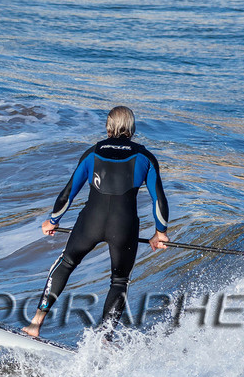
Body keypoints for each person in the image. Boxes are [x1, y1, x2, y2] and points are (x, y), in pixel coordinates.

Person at [24, 106, 169, 338]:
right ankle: (104, 339)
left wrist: (53, 220)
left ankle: (35, 323)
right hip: (124, 227)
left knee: (66, 263)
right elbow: (159, 200)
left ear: (108, 127)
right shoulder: (145, 157)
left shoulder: (93, 152)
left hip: (90, 222)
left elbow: (68, 192)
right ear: (132, 128)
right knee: (119, 281)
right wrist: (160, 232)